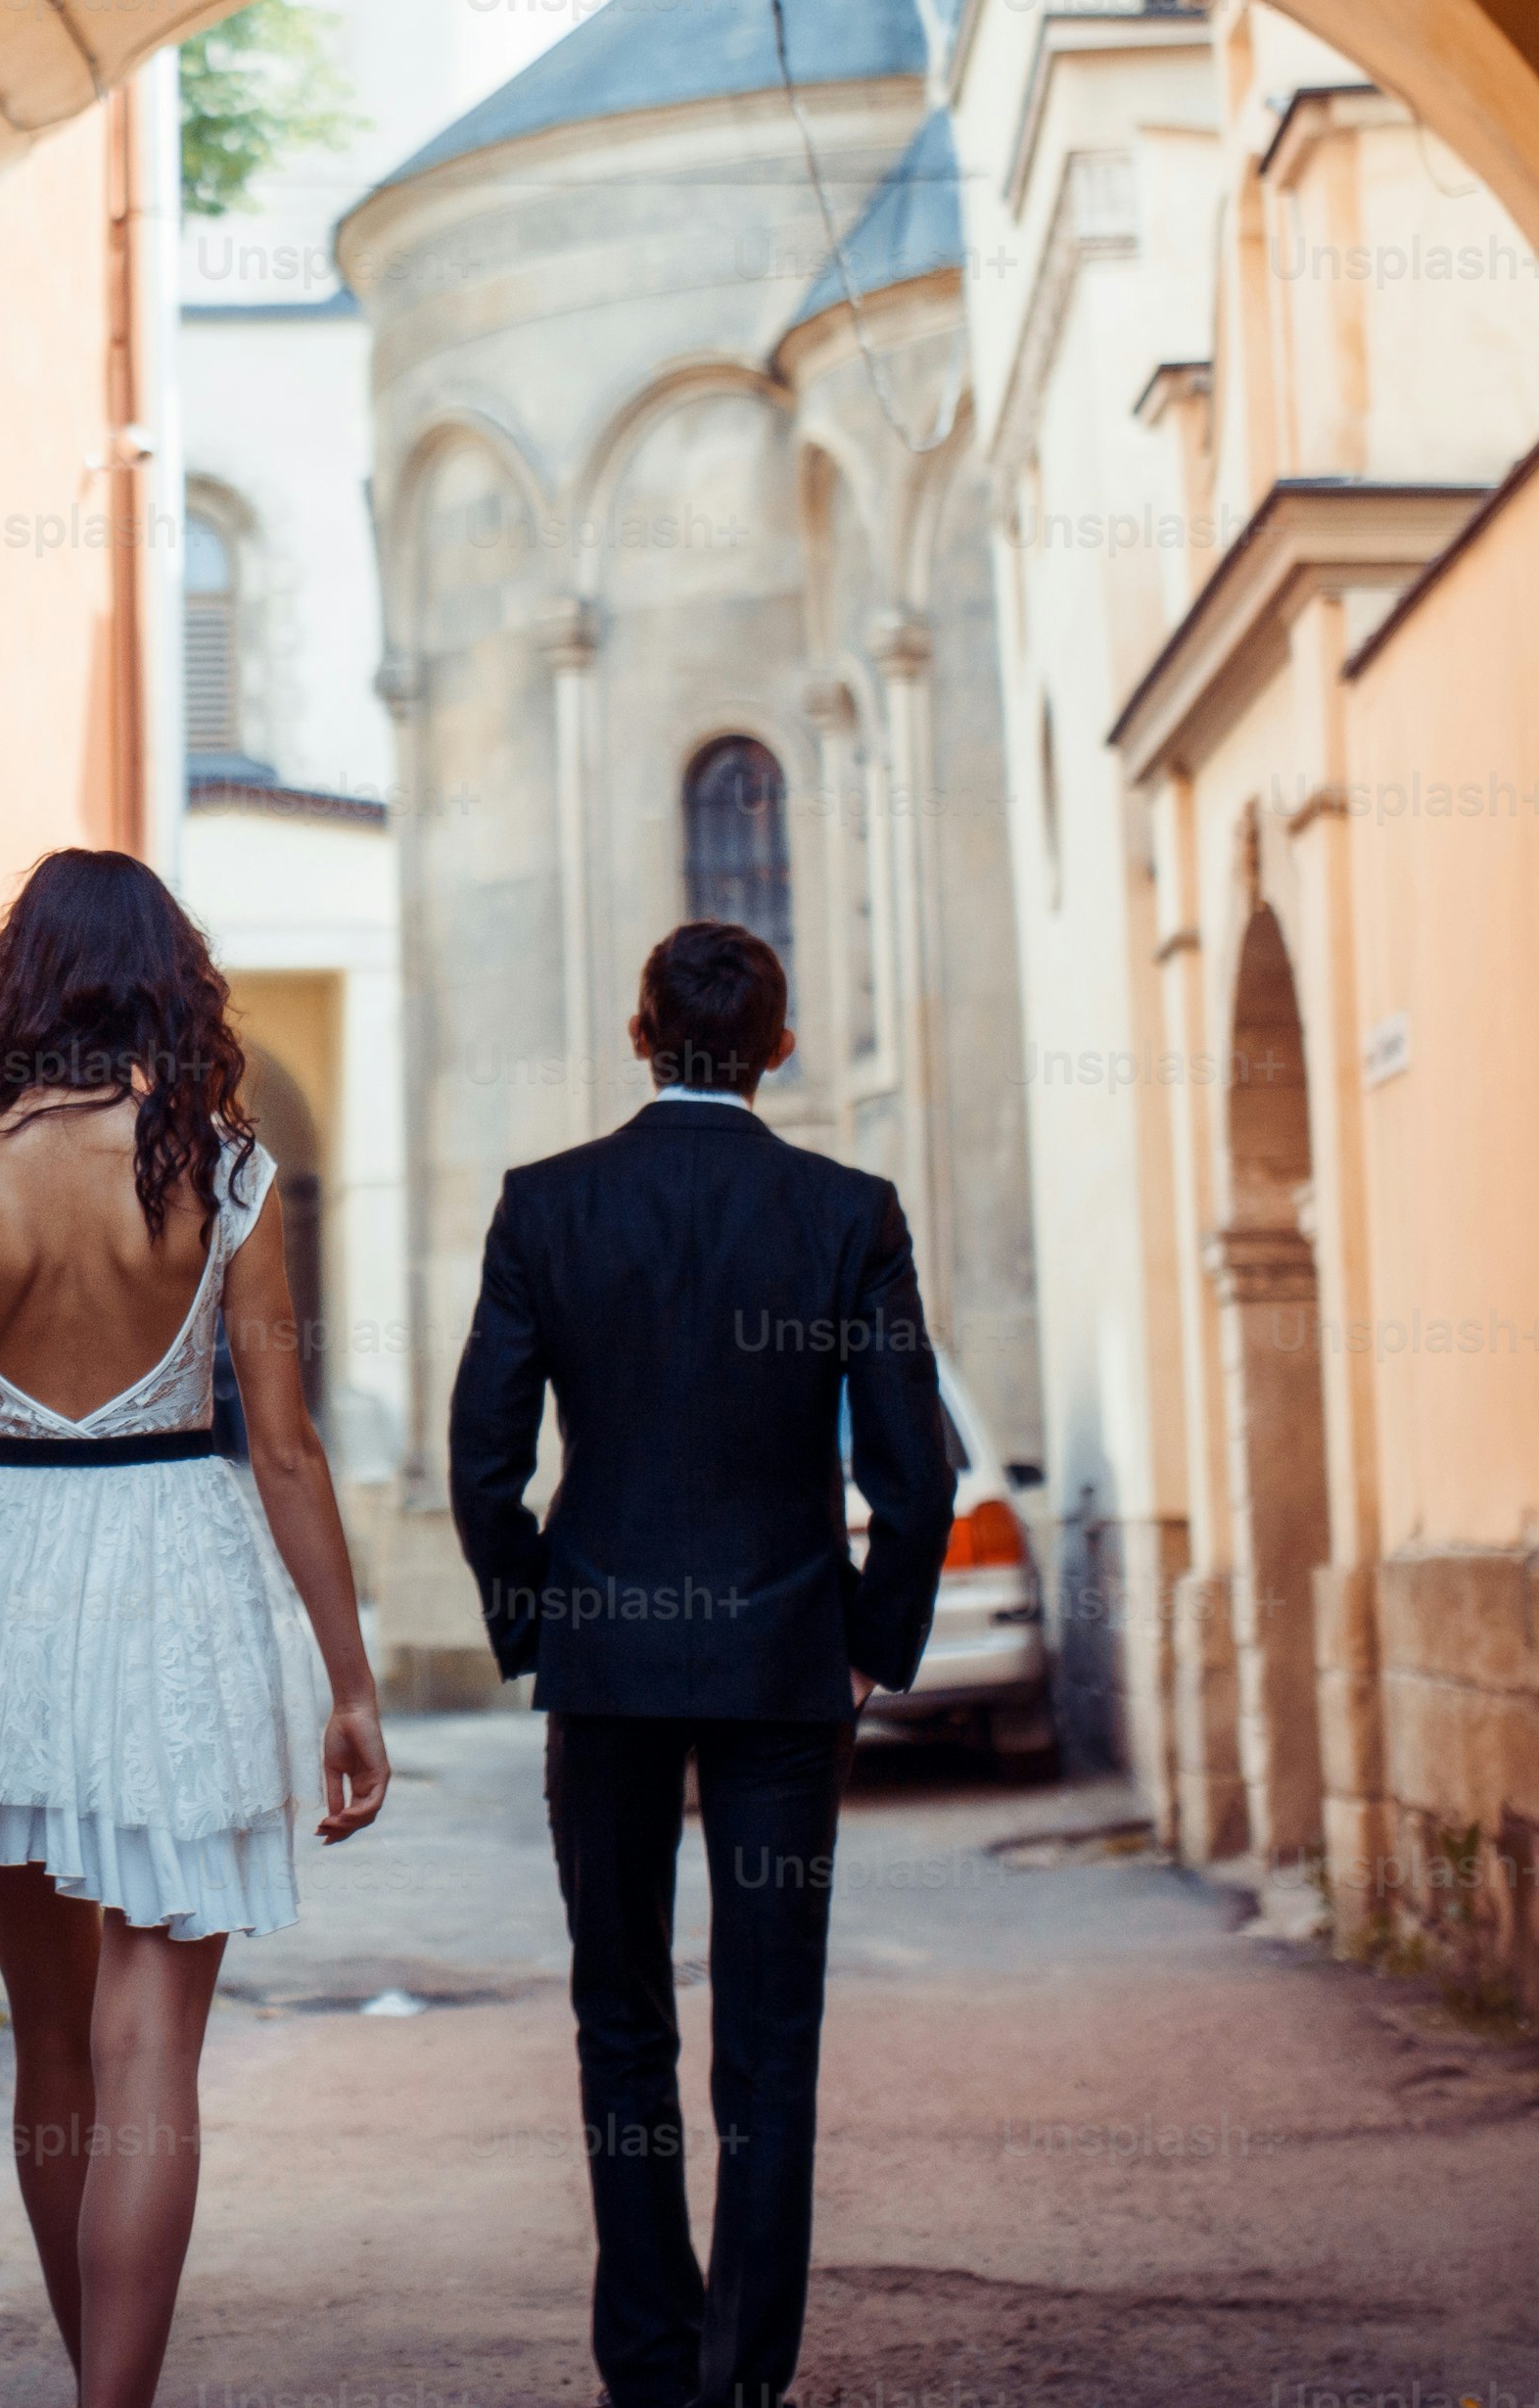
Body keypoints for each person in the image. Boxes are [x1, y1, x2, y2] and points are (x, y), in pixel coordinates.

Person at [0, 846, 393, 2408]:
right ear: (162, 981)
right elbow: (283, 1446)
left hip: (1, 1577)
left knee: (51, 2049)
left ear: (22, 982)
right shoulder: (223, 1166)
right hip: (173, 1577)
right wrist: (349, 1682)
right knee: (151, 2054)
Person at [448, 918, 951, 2408]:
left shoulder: (547, 1207)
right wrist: (866, 1642)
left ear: (634, 1031)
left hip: (604, 1667)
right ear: (779, 1049)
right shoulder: (844, 1214)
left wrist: (541, 1615)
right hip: (784, 1669)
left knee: (619, 2021)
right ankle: (741, 2379)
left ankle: (649, 2367)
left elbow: (484, 1459)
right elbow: (911, 1472)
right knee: (768, 2034)